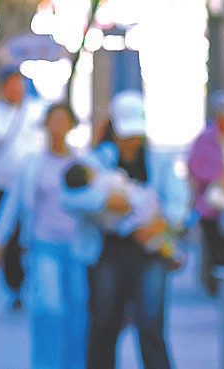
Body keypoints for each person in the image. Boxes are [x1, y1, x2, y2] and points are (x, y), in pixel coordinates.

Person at [0, 101, 96, 368]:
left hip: (76, 246)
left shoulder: (84, 164)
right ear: (46, 125)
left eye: (63, 121)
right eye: (53, 120)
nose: (57, 127)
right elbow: (13, 203)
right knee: (49, 307)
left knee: (77, 310)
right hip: (43, 245)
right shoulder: (31, 164)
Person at [86, 91, 176, 369]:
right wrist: (106, 202)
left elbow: (177, 202)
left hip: (149, 251)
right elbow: (73, 195)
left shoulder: (159, 161)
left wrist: (161, 224)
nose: (132, 141)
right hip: (110, 250)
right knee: (105, 322)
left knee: (150, 324)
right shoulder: (97, 160)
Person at [0, 66, 43, 311]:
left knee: (33, 235)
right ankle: (15, 287)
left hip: (34, 187)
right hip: (4, 185)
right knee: (9, 239)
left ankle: (35, 281)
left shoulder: (37, 111)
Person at [187, 91, 224, 295]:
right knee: (216, 250)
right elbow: (194, 166)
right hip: (212, 204)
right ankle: (216, 288)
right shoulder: (207, 139)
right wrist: (218, 176)